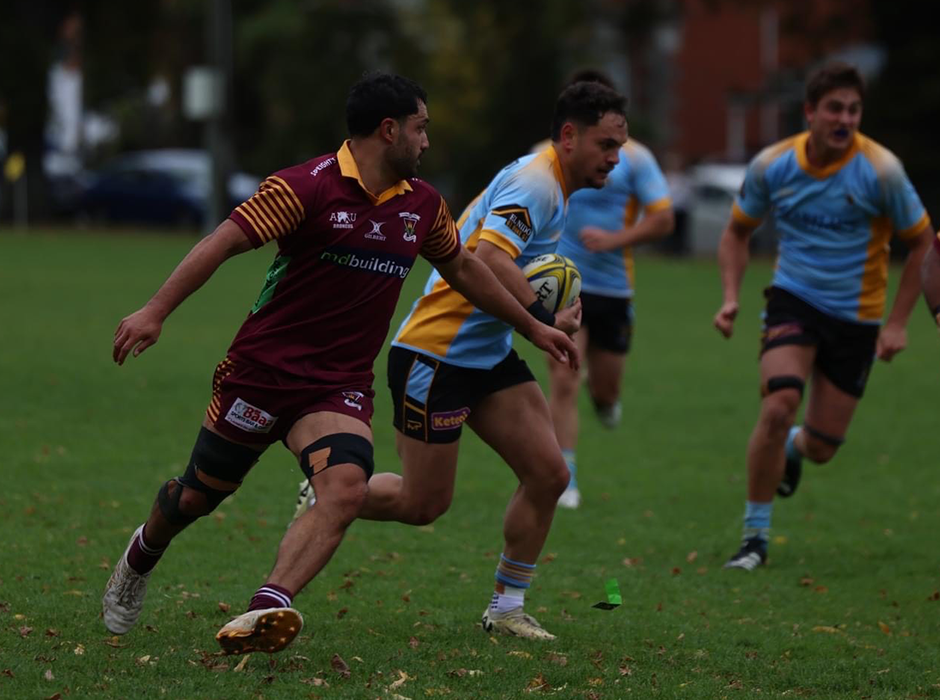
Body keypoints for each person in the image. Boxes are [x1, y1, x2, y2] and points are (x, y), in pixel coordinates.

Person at [101, 72, 578, 655]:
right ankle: (141, 553)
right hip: (261, 374)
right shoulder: (304, 188)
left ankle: (267, 607)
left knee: (346, 489)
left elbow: (466, 269)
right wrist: (155, 310)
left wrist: (532, 325)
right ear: (389, 130)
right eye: (421, 129)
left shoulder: (422, 205)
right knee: (197, 497)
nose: (427, 142)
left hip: (337, 387)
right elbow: (222, 242)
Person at [341, 80, 628, 640]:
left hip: (486, 355)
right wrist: (540, 319)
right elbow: (488, 258)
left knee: (548, 474)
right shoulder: (537, 183)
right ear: (569, 136)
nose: (615, 159)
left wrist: (542, 313)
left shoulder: (553, 182)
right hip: (436, 352)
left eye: (620, 146)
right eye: (606, 145)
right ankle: (334, 494)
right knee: (423, 504)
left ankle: (505, 608)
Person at [714, 62, 933, 570]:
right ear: (810, 111)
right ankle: (755, 539)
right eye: (835, 107)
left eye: (854, 110)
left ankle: (794, 448)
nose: (845, 118)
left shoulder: (881, 171)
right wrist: (730, 296)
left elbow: (923, 245)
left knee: (822, 448)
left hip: (857, 318)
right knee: (778, 403)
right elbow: (736, 232)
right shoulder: (773, 165)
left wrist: (898, 322)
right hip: (794, 299)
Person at [545, 69, 674, 509]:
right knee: (563, 377)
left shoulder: (635, 159)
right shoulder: (544, 159)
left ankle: (605, 402)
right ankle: (567, 477)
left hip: (615, 289)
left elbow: (664, 218)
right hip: (564, 285)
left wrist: (614, 240)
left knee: (604, 390)